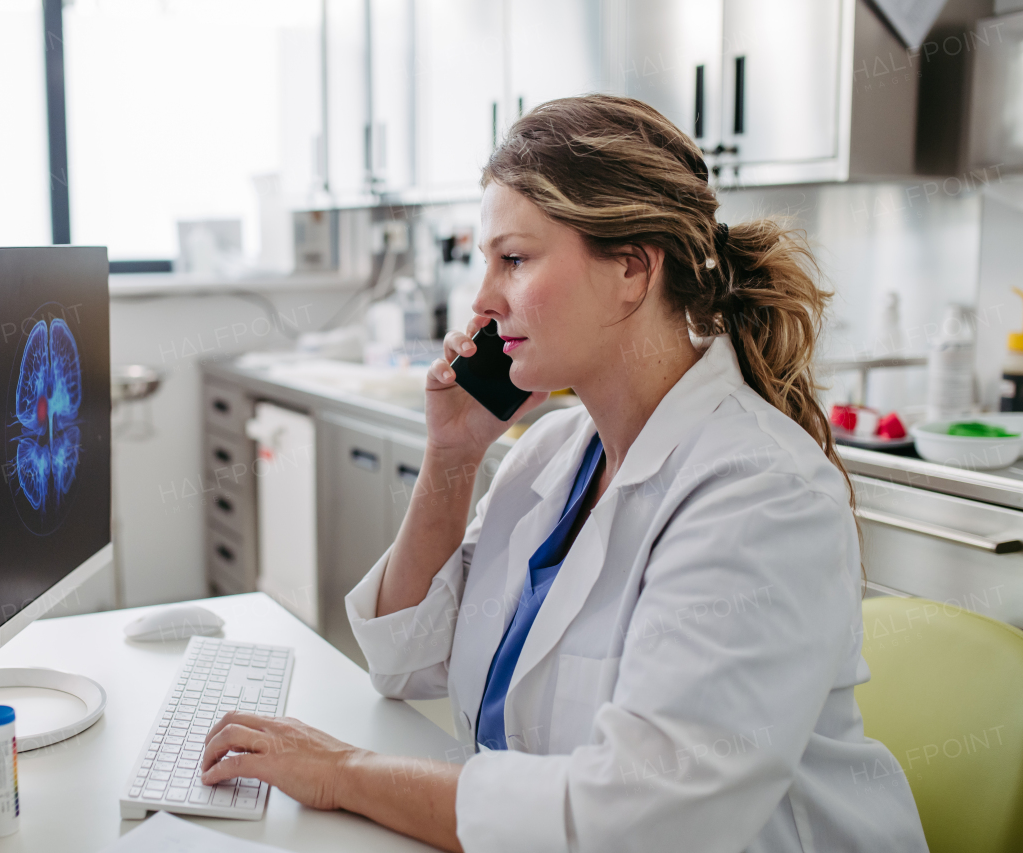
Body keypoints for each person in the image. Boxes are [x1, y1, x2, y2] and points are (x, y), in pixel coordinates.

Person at [200, 95, 928, 852]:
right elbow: (403, 658)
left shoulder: (762, 496)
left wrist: (345, 771)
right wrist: (453, 455)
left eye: (513, 259)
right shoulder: (554, 454)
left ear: (632, 269)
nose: (482, 300)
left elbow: (643, 820)